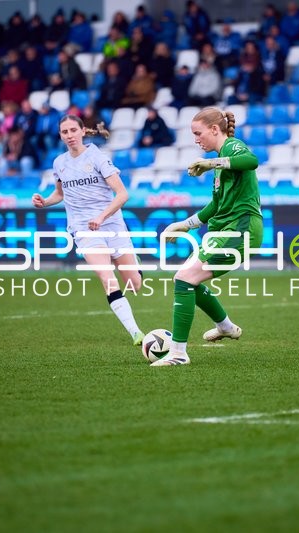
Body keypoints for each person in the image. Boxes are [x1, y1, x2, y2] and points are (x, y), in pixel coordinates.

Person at [155, 107, 263, 366]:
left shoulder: (232, 147)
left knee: (183, 278)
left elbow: (252, 161)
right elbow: (215, 206)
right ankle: (225, 327)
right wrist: (185, 224)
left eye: (198, 133)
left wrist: (211, 163)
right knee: (186, 281)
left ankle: (178, 354)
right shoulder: (219, 164)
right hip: (227, 230)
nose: (196, 139)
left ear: (215, 129)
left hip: (241, 229)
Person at [31, 115, 144, 346]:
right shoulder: (59, 163)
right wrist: (45, 201)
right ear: (60, 135)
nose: (69, 135)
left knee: (134, 284)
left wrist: (101, 216)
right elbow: (60, 195)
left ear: (83, 131)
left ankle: (134, 267)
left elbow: (123, 195)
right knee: (107, 278)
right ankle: (136, 333)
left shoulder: (98, 158)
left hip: (111, 224)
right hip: (83, 228)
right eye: (65, 132)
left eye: (73, 130)